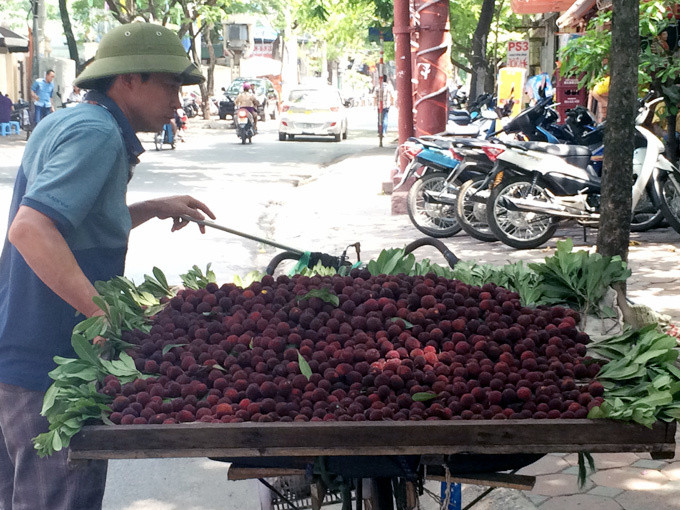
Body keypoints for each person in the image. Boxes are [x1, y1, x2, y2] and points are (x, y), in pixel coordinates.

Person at [0, 22, 215, 510]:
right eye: (171, 85)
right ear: (129, 80)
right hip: (49, 365)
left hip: (19, 349)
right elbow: (31, 230)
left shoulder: (69, 121)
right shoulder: (96, 134)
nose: (179, 102)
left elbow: (75, 227)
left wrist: (153, 207)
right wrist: (101, 311)